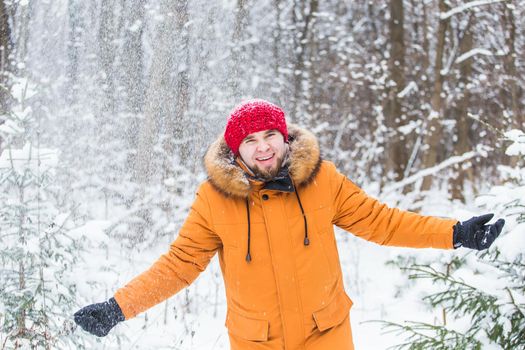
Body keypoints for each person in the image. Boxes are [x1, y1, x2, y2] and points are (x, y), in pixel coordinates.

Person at [74, 99, 505, 349]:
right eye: (250, 141)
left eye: (270, 137)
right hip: (258, 341)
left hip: (326, 333)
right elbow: (179, 265)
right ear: (235, 150)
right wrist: (119, 307)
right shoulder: (214, 199)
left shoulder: (323, 181)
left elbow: (381, 222)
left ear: (285, 138)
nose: (263, 149)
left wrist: (455, 233)